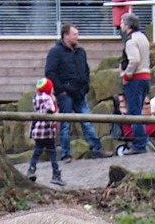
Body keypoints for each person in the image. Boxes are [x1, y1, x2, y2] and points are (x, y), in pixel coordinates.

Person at [46, 24, 104, 159]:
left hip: (79, 92)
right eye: (74, 34)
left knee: (86, 120)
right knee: (65, 124)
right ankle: (66, 153)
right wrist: (61, 89)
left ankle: (97, 148)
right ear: (66, 36)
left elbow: (85, 69)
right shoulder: (56, 52)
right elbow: (50, 72)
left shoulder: (80, 52)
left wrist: (85, 86)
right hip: (65, 93)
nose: (77, 37)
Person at [120, 13, 153, 153]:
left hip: (136, 79)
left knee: (134, 113)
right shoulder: (143, 37)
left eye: (122, 23)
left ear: (127, 25)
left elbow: (134, 60)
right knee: (138, 112)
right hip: (146, 77)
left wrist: (126, 75)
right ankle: (141, 142)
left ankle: (139, 145)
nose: (120, 25)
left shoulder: (131, 40)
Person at [26, 78, 64, 185]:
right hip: (47, 130)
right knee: (52, 152)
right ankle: (56, 174)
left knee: (37, 151)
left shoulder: (36, 97)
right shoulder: (47, 98)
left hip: (38, 131)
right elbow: (50, 109)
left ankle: (31, 169)